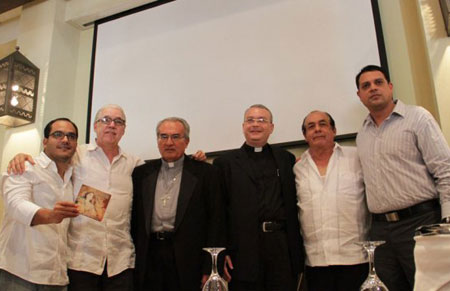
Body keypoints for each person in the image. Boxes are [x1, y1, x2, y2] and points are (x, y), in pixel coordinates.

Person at [7, 105, 207, 291]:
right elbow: (51, 157)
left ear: (124, 129)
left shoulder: (135, 164)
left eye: (118, 122)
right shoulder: (76, 154)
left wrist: (192, 160)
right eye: (106, 120)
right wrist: (22, 156)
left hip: (120, 263)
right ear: (95, 126)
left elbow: (165, 169)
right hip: (80, 261)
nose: (112, 125)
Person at [355, 65, 450, 290]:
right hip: (381, 232)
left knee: (428, 286)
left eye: (378, 82)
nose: (373, 88)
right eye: (365, 86)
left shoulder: (418, 118)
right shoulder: (362, 134)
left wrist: (447, 221)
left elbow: (445, 170)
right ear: (359, 95)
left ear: (390, 87)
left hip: (420, 223)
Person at [213, 104, 304, 291]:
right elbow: (218, 213)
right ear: (243, 126)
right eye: (250, 120)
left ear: (271, 127)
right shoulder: (224, 164)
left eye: (262, 120)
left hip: (281, 248)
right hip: (243, 251)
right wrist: (223, 253)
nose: (255, 125)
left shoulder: (286, 159)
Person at [131, 117, 225, 291]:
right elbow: (134, 219)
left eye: (175, 137)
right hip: (150, 256)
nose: (169, 143)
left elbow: (216, 222)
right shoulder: (141, 174)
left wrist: (210, 267)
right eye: (163, 137)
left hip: (188, 259)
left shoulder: (206, 173)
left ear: (186, 141)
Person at [0, 118, 80, 290]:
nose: (65, 140)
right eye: (58, 135)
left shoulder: (73, 175)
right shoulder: (25, 167)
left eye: (71, 136)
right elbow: (16, 205)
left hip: (56, 276)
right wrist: (51, 215)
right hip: (20, 272)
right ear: (45, 142)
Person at [294, 110, 369, 291]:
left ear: (334, 130)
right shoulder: (297, 168)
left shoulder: (357, 157)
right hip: (316, 262)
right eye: (311, 127)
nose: (317, 129)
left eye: (323, 124)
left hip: (355, 258)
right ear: (305, 136)